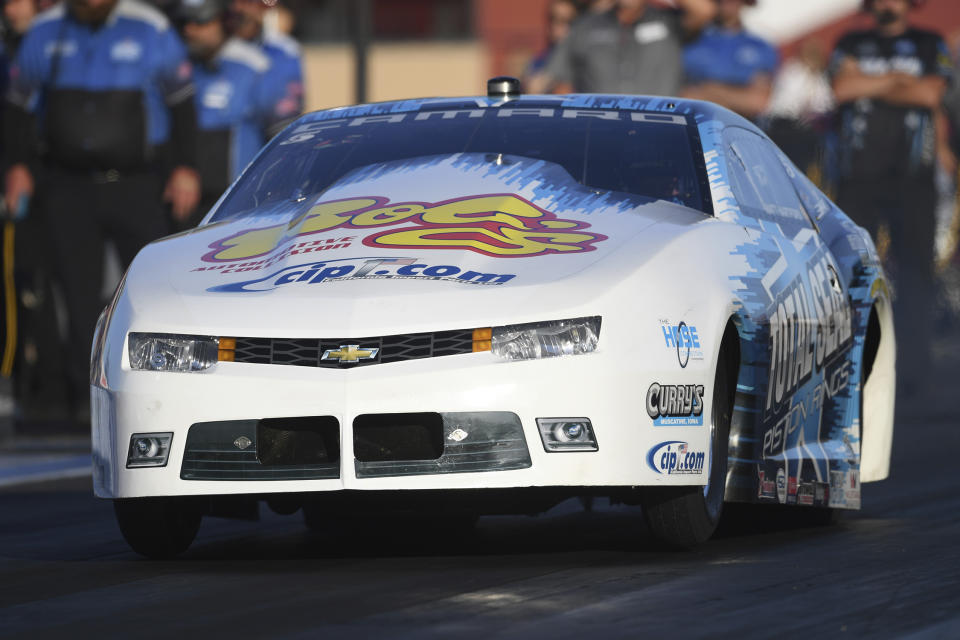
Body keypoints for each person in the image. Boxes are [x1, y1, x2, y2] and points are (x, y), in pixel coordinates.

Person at [3, 0, 201, 419]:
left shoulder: (150, 29)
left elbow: (182, 103)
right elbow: (17, 108)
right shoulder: (46, 32)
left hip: (137, 183)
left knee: (150, 292)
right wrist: (17, 166)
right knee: (76, 296)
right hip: (68, 186)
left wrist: (185, 167)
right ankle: (84, 400)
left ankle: (159, 393)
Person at [830, 0, 952, 390]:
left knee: (916, 274)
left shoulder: (930, 43)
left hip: (913, 177)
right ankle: (850, 365)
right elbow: (842, 88)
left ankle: (914, 371)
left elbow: (931, 96)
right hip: (857, 176)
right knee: (852, 271)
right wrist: (898, 81)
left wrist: (870, 84)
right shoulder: (850, 41)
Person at [177, 0, 299, 226]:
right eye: (184, 21)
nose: (190, 29)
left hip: (239, 205)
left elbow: (283, 137)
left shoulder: (258, 65)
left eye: (200, 20)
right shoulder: (182, 62)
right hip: (187, 202)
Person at [544, 0, 716, 96]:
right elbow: (559, 83)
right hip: (600, 133)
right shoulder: (585, 27)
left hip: (661, 130)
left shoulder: (668, 22)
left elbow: (705, 11)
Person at [682, 0, 778, 120]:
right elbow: (678, 95)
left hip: (739, 133)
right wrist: (735, 97)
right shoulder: (688, 39)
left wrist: (709, 91)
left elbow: (757, 102)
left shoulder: (761, 47)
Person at [765, 39, 834, 178]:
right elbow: (786, 103)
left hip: (809, 131)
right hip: (787, 127)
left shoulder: (820, 77)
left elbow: (826, 103)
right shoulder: (793, 72)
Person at [230, 0, 302, 121]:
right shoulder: (212, 48)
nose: (240, 9)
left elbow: (288, 111)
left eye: (249, 3)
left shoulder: (284, 50)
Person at [524, 0, 580, 94]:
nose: (556, 26)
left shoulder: (586, 60)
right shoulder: (539, 61)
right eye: (552, 19)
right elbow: (531, 91)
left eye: (565, 21)